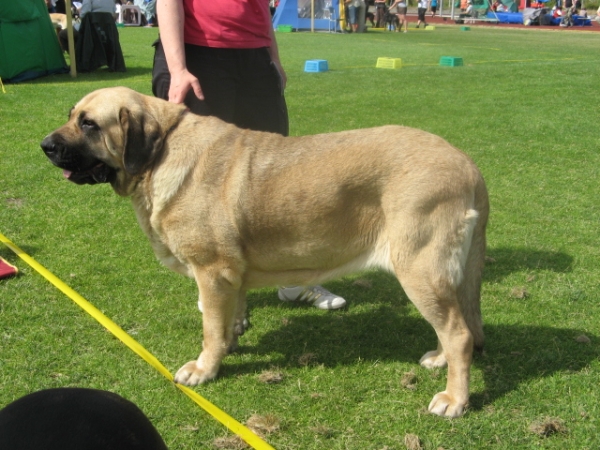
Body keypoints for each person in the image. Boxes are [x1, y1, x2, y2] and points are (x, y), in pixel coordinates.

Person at [151, 0, 346, 310]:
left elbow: (258, 9)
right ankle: (215, 288)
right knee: (205, 183)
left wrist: (273, 58)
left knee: (276, 179)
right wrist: (178, 70)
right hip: (200, 53)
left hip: (254, 57)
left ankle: (294, 282)